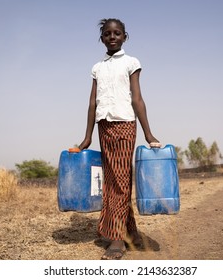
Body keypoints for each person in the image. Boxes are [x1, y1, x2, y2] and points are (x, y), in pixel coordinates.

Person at [79, 18, 160, 260]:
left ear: (125, 36)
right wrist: (87, 137)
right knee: (114, 178)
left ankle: (116, 240)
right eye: (107, 34)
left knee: (120, 181)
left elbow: (137, 99)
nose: (112, 37)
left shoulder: (131, 63)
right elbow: (93, 102)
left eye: (117, 33)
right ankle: (131, 233)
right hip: (104, 127)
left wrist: (148, 133)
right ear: (102, 38)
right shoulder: (97, 67)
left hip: (125, 125)